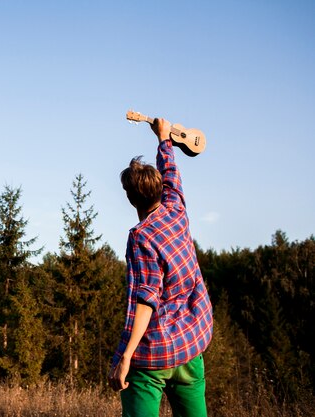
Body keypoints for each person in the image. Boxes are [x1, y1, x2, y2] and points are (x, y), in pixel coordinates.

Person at [107, 118, 213, 417]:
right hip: (191, 344)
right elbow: (172, 174)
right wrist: (164, 139)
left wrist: (126, 356)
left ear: (130, 199)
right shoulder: (177, 209)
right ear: (159, 189)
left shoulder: (141, 237)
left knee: (135, 384)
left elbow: (146, 299)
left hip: (153, 355)